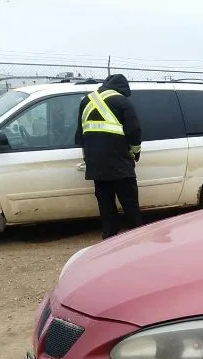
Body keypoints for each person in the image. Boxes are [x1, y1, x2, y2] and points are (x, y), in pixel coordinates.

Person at [75, 74, 143, 239]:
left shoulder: (86, 101)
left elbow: (80, 136)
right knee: (130, 205)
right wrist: (135, 153)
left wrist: (89, 158)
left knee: (106, 206)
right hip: (120, 165)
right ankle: (138, 237)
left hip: (97, 166)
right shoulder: (122, 102)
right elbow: (134, 132)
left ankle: (109, 238)